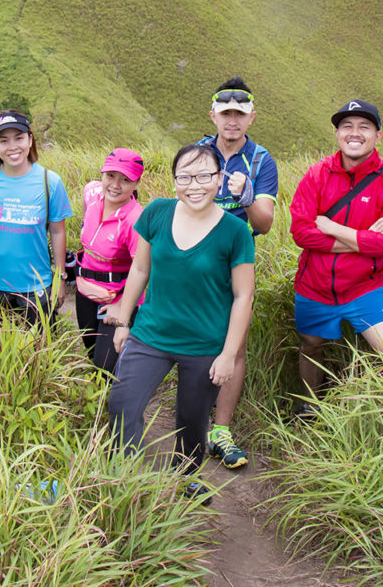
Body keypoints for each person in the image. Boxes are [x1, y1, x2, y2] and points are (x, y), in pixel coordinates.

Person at [107, 143, 256, 501]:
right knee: (121, 404)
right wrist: (124, 320)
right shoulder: (157, 212)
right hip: (151, 335)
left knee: (192, 420)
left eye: (205, 175)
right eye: (185, 176)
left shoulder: (234, 231)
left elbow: (243, 297)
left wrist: (228, 354)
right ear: (174, 180)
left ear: (219, 179)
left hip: (204, 344)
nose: (195, 185)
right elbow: (140, 268)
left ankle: (185, 476)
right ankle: (124, 477)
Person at [289, 100, 383, 419]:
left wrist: (333, 228)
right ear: (337, 133)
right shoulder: (316, 175)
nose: (354, 133)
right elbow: (301, 233)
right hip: (314, 286)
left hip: (365, 289)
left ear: (377, 136)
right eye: (347, 126)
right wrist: (364, 239)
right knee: (311, 345)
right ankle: (309, 408)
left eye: (364, 127)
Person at [196, 76, 277, 469]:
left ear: (251, 118)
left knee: (235, 344)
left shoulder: (261, 160)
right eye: (225, 113)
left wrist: (247, 199)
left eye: (239, 115)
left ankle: (222, 430)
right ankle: (193, 422)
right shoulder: (197, 152)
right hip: (195, 256)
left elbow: (264, 223)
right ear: (213, 115)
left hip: (236, 261)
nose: (232, 121)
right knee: (194, 338)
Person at [0, 109, 72, 326]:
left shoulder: (50, 181)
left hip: (35, 283)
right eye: (3, 140)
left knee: (40, 346)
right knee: (0, 347)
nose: (13, 146)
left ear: (30, 140)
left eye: (19, 138)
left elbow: (58, 231)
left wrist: (59, 278)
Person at [75, 147, 146, 374]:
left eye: (125, 179)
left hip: (116, 297)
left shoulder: (135, 220)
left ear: (136, 184)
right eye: (110, 176)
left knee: (105, 365)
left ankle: (116, 402)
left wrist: (121, 306)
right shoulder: (92, 193)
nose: (115, 185)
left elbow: (145, 270)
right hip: (85, 291)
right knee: (91, 352)